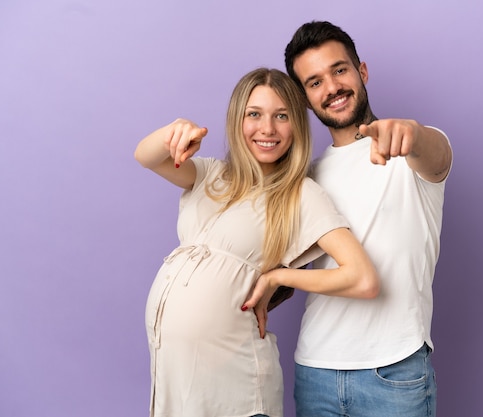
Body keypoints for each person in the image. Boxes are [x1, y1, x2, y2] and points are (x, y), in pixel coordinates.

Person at [134, 67, 379, 417]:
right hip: (178, 382)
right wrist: (176, 129)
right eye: (254, 114)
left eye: (282, 116)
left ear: (296, 125)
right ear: (238, 120)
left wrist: (278, 278)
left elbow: (362, 277)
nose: (267, 129)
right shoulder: (209, 175)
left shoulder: (300, 195)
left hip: (238, 388)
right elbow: (146, 156)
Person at [283, 21, 453, 417]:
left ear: (362, 71)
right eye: (314, 82)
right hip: (315, 370)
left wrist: (410, 132)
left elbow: (437, 154)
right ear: (306, 99)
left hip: (394, 371)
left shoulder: (410, 150)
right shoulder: (306, 177)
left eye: (339, 70)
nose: (332, 88)